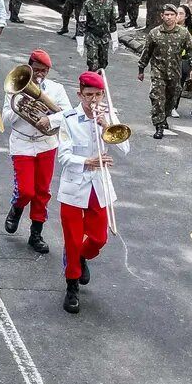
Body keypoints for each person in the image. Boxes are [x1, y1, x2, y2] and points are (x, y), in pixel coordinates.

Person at [55, 72, 131, 313]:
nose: (94, 100)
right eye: (89, 95)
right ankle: (72, 287)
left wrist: (107, 125)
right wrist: (87, 161)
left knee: (99, 239)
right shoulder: (68, 118)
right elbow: (64, 156)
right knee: (73, 240)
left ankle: (80, 258)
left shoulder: (108, 113)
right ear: (80, 95)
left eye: (98, 95)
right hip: (74, 188)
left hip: (99, 187)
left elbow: (125, 149)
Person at [2, 50, 68, 253]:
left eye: (44, 71)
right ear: (29, 68)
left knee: (42, 191)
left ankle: (36, 233)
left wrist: (50, 118)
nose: (40, 75)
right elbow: (4, 120)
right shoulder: (14, 88)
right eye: (37, 70)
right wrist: (20, 105)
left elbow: (67, 115)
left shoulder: (57, 89)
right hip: (22, 143)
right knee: (26, 190)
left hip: (46, 143)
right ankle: (17, 207)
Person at [139, 4, 192, 139]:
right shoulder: (154, 33)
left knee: (172, 98)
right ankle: (158, 126)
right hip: (158, 71)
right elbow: (146, 52)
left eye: (172, 15)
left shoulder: (183, 33)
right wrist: (141, 69)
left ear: (176, 17)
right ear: (162, 16)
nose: (169, 17)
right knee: (157, 98)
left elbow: (191, 50)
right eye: (166, 15)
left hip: (175, 72)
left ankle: (164, 117)